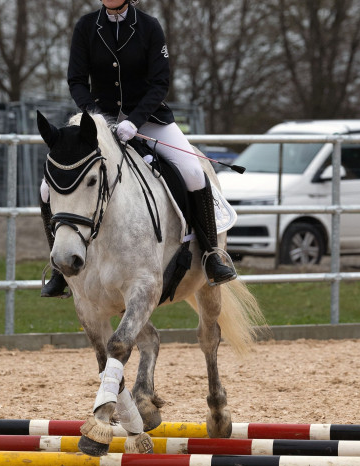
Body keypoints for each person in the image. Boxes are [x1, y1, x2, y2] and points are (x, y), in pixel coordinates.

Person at [40, 0, 236, 298]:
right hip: (97, 123)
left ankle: (211, 255)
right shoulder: (86, 27)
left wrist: (135, 120)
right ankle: (58, 269)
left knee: (194, 172)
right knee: (45, 188)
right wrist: (97, 118)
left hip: (149, 118)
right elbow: (77, 81)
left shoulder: (149, 27)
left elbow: (160, 82)